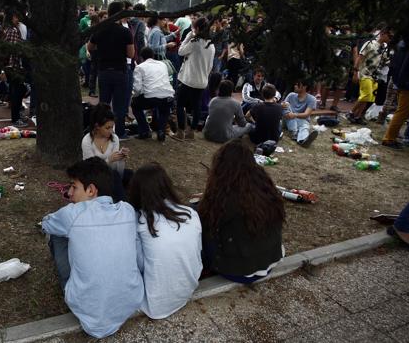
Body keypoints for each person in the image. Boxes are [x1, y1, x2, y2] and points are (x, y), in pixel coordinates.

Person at [42, 157, 143, 338]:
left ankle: (70, 282)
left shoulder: (72, 213)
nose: (69, 193)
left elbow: (46, 223)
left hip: (86, 308)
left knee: (57, 235)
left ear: (91, 190)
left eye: (73, 187)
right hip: (131, 300)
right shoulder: (127, 210)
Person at [199, 139, 285, 283]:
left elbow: (207, 222)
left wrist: (201, 204)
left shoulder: (224, 195)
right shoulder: (263, 184)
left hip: (240, 270)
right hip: (271, 259)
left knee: (197, 228)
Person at [128, 162, 202, 320]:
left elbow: (139, 265)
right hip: (188, 288)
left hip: (156, 303)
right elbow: (197, 251)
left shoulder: (141, 223)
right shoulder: (190, 212)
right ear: (167, 185)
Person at [88, 2, 134, 139]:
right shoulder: (125, 32)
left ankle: (102, 130)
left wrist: (102, 48)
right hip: (120, 70)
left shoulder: (99, 29)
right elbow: (131, 54)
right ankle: (120, 133)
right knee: (119, 105)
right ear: (120, 13)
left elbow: (90, 47)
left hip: (104, 71)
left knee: (104, 104)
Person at [174, 17, 215, 140]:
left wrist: (188, 36)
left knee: (180, 104)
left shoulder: (195, 42)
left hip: (189, 80)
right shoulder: (211, 45)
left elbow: (180, 51)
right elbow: (210, 66)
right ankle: (191, 131)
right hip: (202, 81)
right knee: (196, 106)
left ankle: (180, 131)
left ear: (197, 28)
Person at [81, 104, 131, 201]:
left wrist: (120, 159)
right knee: (114, 176)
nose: (111, 131)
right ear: (97, 126)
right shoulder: (87, 141)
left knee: (131, 175)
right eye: (107, 128)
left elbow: (118, 171)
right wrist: (109, 160)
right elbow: (91, 170)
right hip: (93, 176)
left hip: (111, 173)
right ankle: (122, 205)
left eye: (112, 127)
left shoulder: (114, 139)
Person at [381, 35, 409, 149]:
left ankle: (390, 137)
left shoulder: (404, 44)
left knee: (400, 111)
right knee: (402, 112)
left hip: (400, 80)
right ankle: (389, 138)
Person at [347, 28, 392, 124]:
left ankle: (358, 116)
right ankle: (351, 113)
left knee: (370, 97)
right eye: (389, 36)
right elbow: (360, 57)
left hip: (375, 75)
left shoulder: (385, 47)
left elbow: (385, 61)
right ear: (383, 34)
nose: (390, 38)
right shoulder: (370, 43)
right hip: (365, 73)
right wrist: (355, 72)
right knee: (366, 95)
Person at [131, 47, 174, 142]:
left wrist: (134, 96)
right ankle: (161, 131)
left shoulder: (140, 67)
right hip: (168, 95)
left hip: (151, 96)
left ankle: (145, 130)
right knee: (163, 111)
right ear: (153, 56)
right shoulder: (163, 64)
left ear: (141, 58)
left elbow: (137, 89)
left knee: (135, 105)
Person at [282, 79, 319, 147]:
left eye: (297, 84)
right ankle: (294, 132)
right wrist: (283, 105)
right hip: (287, 120)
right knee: (286, 104)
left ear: (304, 87)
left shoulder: (312, 99)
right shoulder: (291, 95)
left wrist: (294, 115)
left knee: (304, 126)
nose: (295, 86)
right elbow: (284, 109)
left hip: (300, 121)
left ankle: (302, 140)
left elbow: (306, 114)